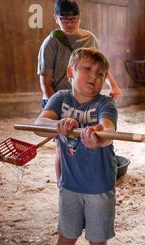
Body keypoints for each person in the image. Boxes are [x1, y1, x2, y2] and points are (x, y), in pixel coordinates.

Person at [34, 48, 118, 245]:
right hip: (69, 185)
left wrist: (98, 137)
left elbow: (109, 129)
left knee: (97, 237)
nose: (95, 76)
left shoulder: (105, 103)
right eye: (88, 69)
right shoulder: (60, 98)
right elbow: (40, 126)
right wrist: (57, 125)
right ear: (71, 71)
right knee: (66, 235)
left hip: (99, 186)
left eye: (101, 74)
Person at [37, 0, 121, 180]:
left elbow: (99, 66)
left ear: (80, 18)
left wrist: (112, 85)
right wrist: (58, 110)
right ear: (56, 18)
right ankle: (63, 184)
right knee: (62, 145)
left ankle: (85, 180)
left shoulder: (89, 38)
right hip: (59, 98)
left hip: (87, 99)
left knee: (87, 139)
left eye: (74, 19)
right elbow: (45, 82)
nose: (69, 23)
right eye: (64, 19)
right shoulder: (50, 43)